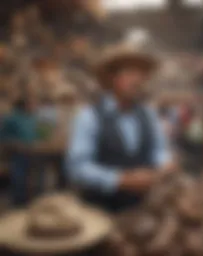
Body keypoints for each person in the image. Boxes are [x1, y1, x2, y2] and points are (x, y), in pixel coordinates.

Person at [66, 49, 175, 213]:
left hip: (144, 210)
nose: (137, 80)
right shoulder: (89, 117)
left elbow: (158, 149)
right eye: (130, 73)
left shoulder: (149, 115)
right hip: (100, 212)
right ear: (112, 78)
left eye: (141, 75)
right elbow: (77, 167)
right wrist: (120, 180)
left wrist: (164, 164)